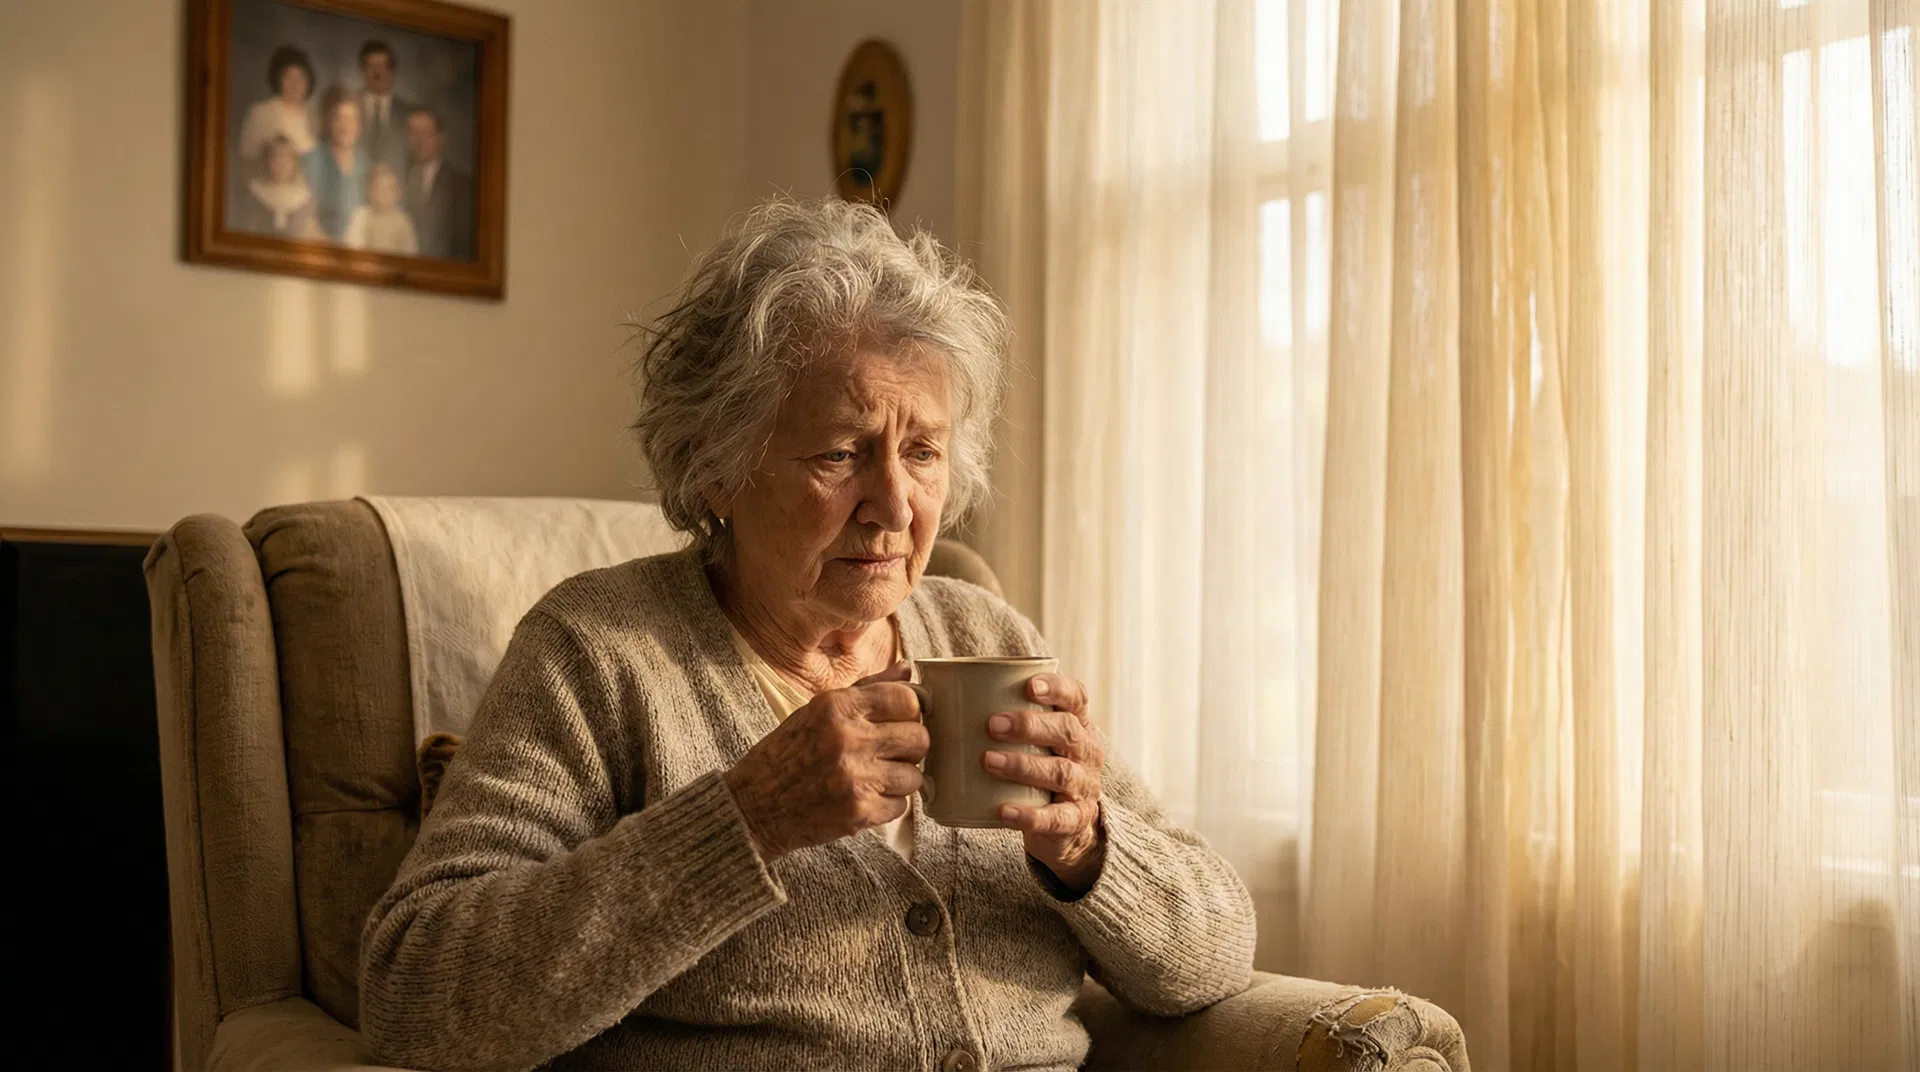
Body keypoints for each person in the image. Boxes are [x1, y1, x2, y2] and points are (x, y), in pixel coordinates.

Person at [358, 198, 1256, 1071]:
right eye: (840, 452)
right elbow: (415, 993)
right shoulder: (601, 651)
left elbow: (1215, 956)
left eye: (923, 451)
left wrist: (1088, 846)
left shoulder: (979, 630)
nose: (896, 507)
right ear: (716, 466)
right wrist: (746, 819)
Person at [401, 107, 472, 260]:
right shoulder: (395, 179)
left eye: (426, 134)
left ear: (440, 138)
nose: (419, 141)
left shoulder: (460, 185)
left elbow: (463, 242)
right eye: (413, 133)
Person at [302, 86, 369, 241]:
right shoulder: (310, 160)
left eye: (352, 119)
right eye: (339, 117)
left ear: (360, 126)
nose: (346, 126)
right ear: (328, 121)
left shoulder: (367, 166)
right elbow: (303, 217)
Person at [236, 45, 317, 162]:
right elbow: (247, 157)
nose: (295, 84)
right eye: (288, 77)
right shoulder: (261, 113)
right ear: (277, 79)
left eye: (301, 77)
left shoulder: (314, 116)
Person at [233, 134, 320, 239]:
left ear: (294, 162)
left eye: (287, 157)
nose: (281, 163)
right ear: (267, 160)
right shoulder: (253, 194)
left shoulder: (305, 198)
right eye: (276, 156)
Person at [356, 40, 415, 174]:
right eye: (371, 66)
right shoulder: (349, 107)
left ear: (392, 71)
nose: (377, 73)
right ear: (363, 71)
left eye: (383, 66)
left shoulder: (407, 113)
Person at [343, 164, 418, 254]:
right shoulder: (360, 216)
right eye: (378, 188)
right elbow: (352, 247)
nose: (384, 194)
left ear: (398, 193)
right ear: (369, 191)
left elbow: (410, 253)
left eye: (389, 189)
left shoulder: (403, 222)